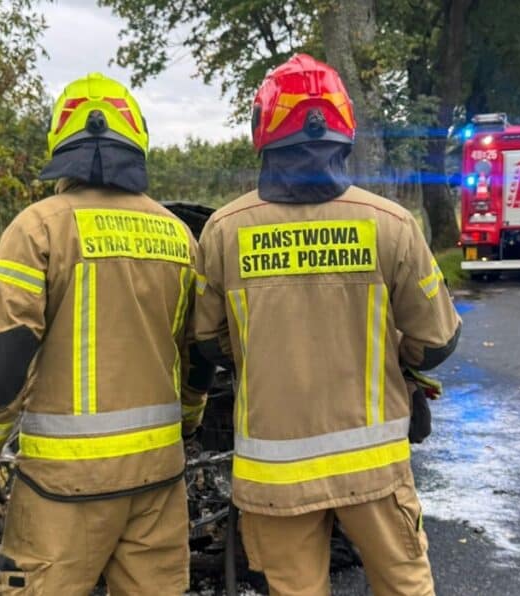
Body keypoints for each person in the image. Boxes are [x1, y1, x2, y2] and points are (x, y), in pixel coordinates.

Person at [193, 54, 461, 596]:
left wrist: (254, 352)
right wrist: (401, 363)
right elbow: (437, 339)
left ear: (262, 133)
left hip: (275, 476)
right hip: (376, 475)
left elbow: (207, 342)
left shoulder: (223, 231)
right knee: (404, 584)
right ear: (344, 133)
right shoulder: (391, 224)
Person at [0, 72, 212, 595]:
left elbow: (0, 368)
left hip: (61, 493)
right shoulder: (179, 235)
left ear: (60, 144)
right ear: (136, 141)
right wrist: (190, 421)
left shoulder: (38, 227)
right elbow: (198, 353)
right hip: (158, 482)